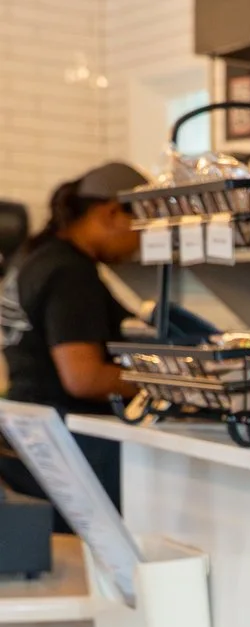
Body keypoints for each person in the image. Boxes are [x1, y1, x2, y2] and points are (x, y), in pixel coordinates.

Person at [0, 162, 147, 517]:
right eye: (141, 224)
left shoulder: (31, 256)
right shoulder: (71, 272)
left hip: (26, 433)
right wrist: (163, 385)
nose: (142, 239)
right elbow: (84, 377)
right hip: (71, 442)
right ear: (111, 212)